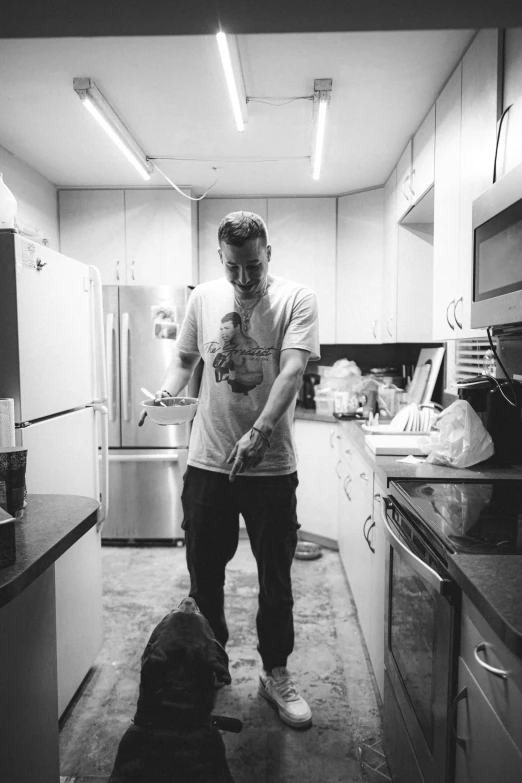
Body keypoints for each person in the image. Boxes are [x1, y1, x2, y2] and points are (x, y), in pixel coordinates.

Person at [139, 211, 320, 729]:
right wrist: (166, 395)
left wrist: (260, 432)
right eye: (234, 268)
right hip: (209, 462)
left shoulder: (295, 298)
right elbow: (186, 360)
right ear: (221, 258)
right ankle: (209, 670)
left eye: (254, 267)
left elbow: (292, 368)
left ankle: (276, 673)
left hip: (271, 464)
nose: (244, 279)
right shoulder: (202, 298)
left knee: (275, 579)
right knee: (204, 578)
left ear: (269, 253)